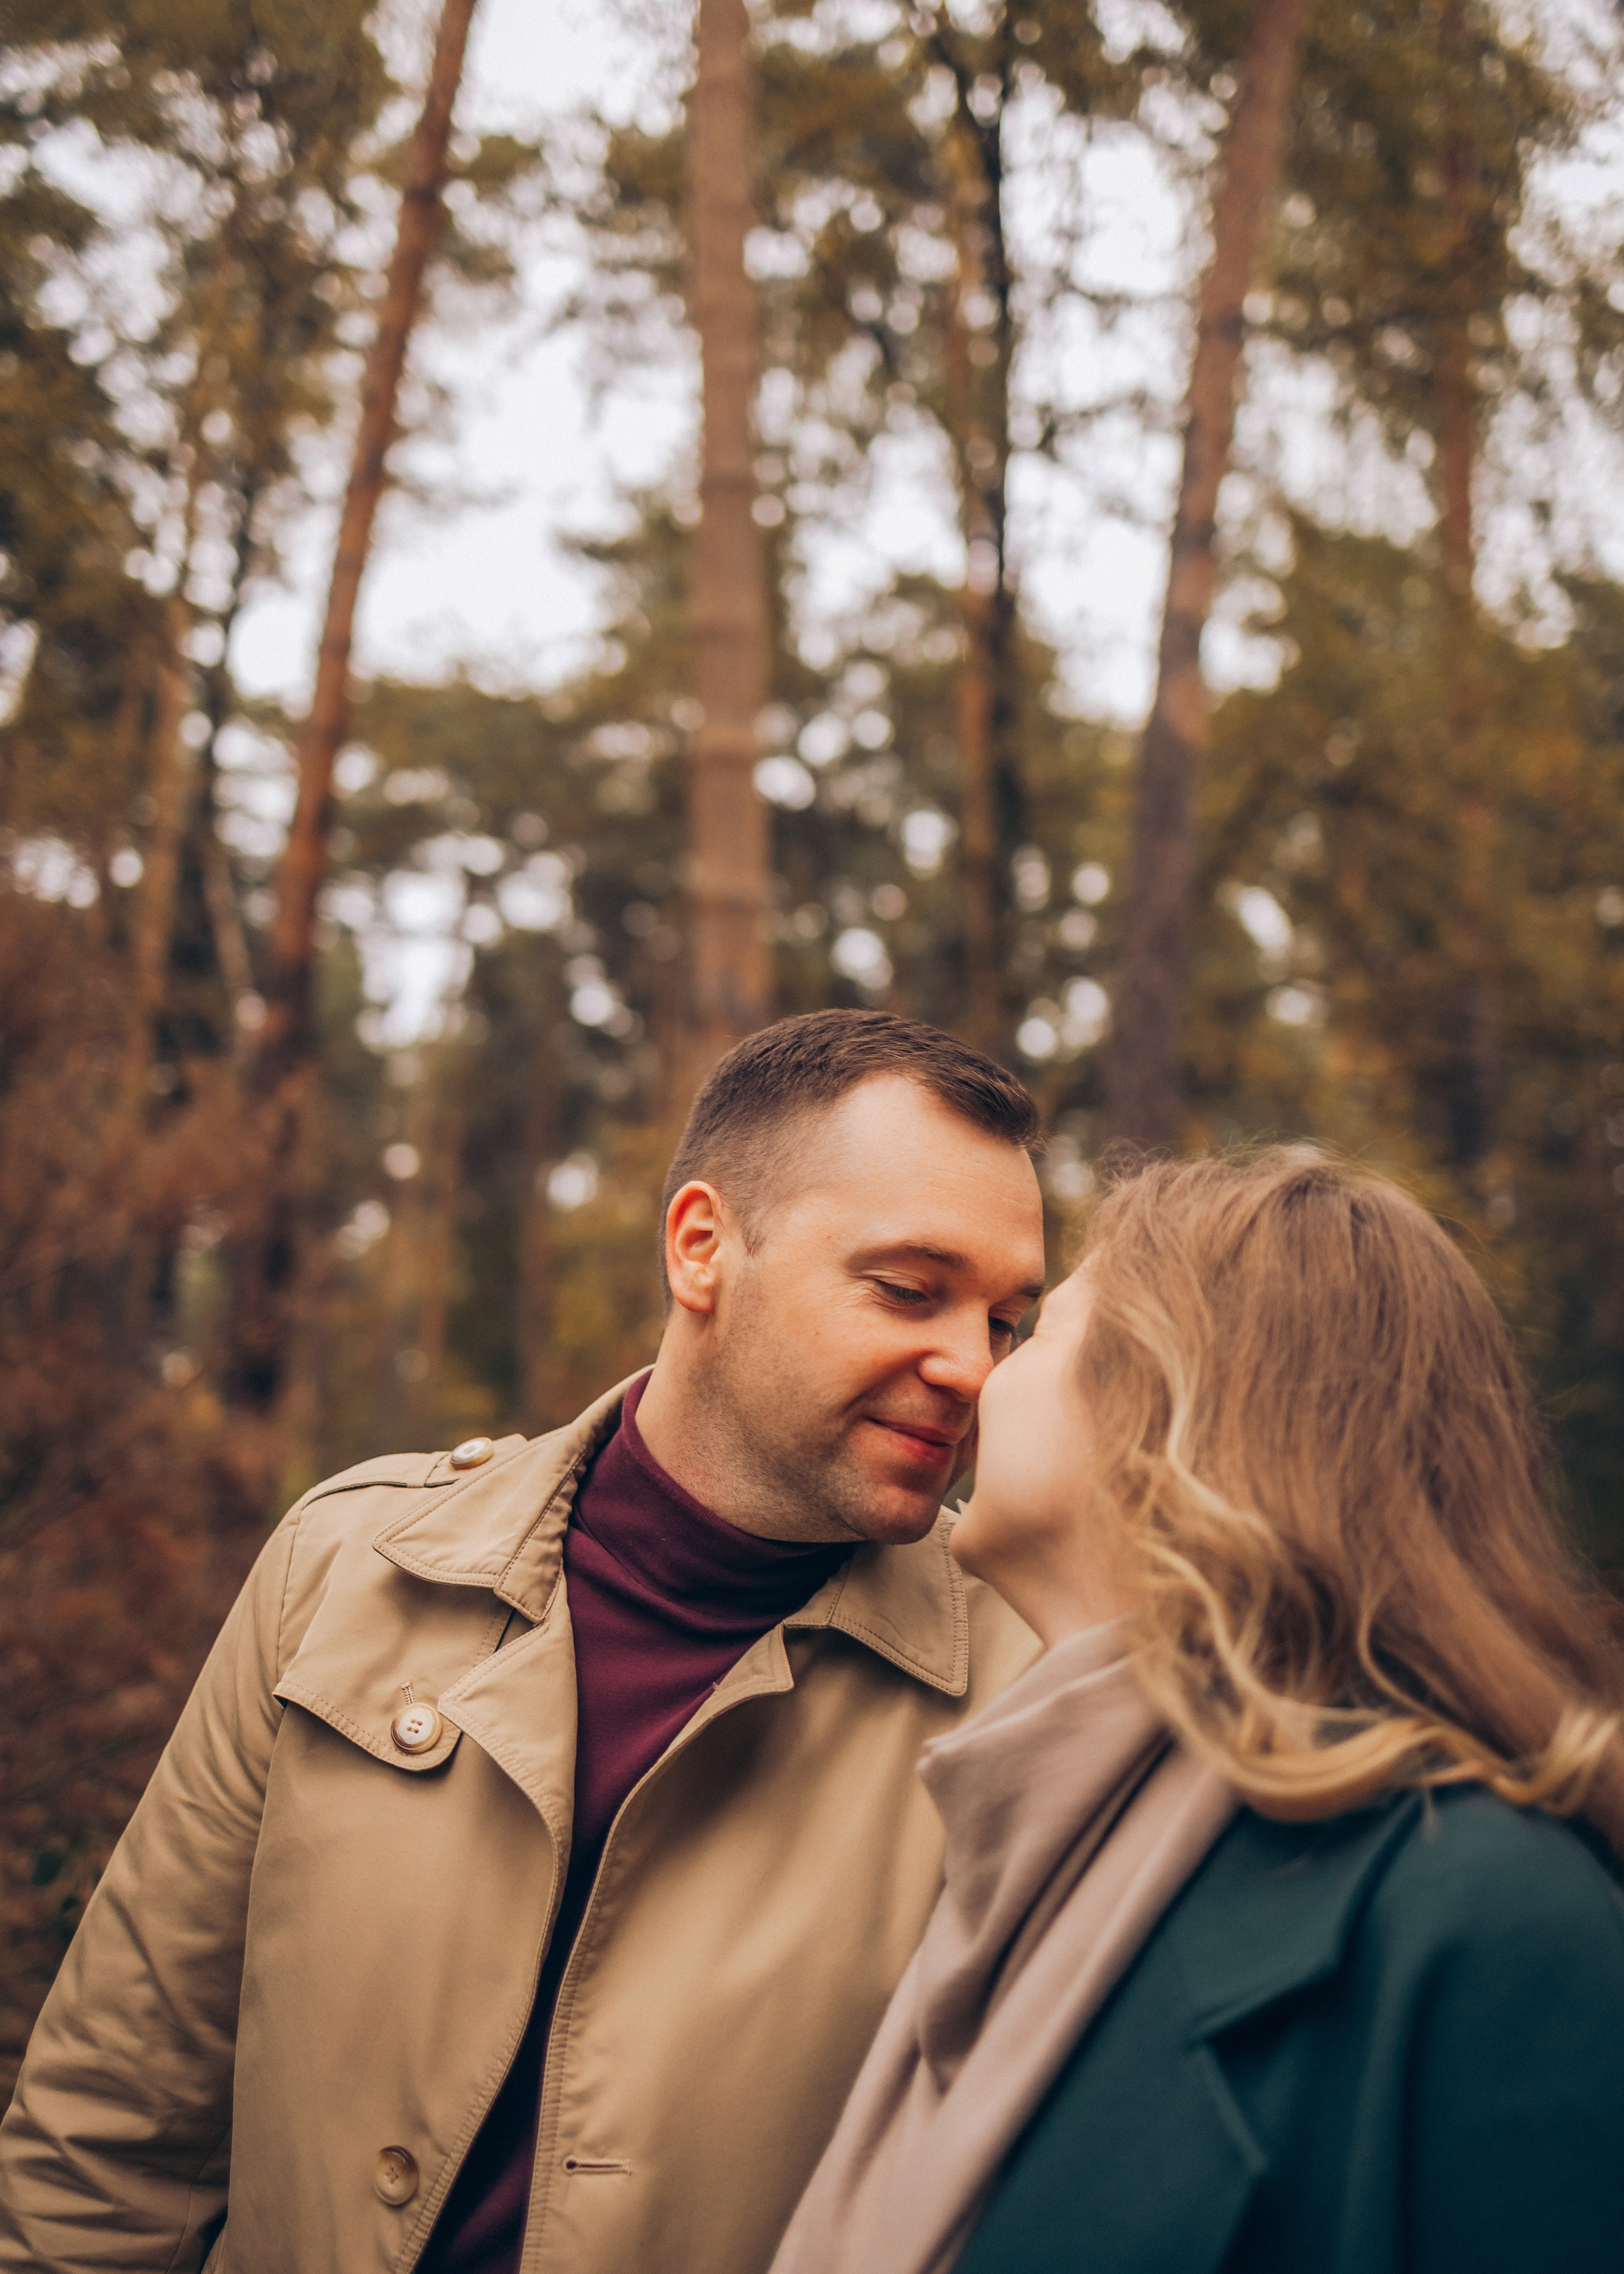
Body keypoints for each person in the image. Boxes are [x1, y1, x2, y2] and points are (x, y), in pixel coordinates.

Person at [0, 1009, 1049, 2274]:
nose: (971, 1367)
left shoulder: (1027, 1689)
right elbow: (115, 2135)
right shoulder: (345, 1566)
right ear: (702, 1246)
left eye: (1004, 1322)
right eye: (908, 1289)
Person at [771, 1148, 1624, 2274]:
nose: (979, 1377)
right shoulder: (1040, 1849)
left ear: (1167, 1403)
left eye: (1034, 1332)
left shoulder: (1494, 1915)